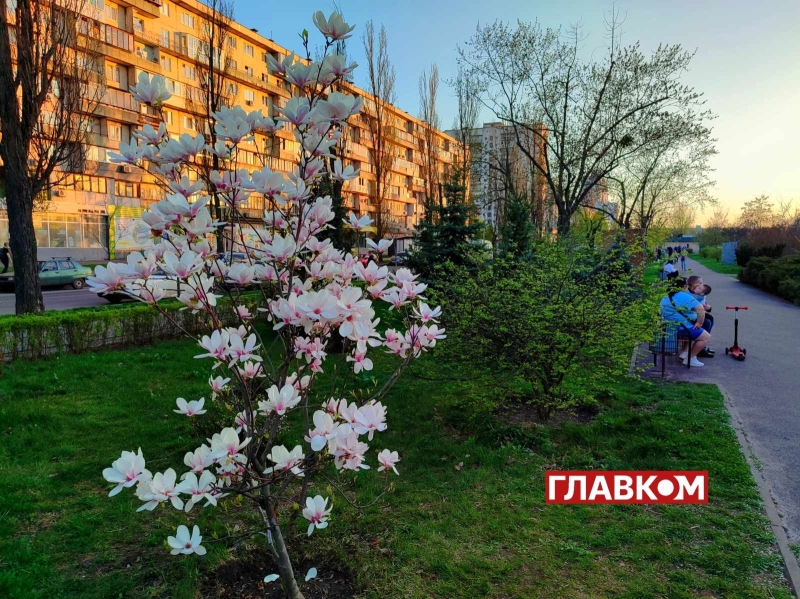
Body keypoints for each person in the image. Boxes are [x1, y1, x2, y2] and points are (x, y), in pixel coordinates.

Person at [659, 276, 711, 367]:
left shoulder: (665, 297)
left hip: (668, 329)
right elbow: (701, 309)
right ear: (683, 286)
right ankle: (690, 359)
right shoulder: (685, 296)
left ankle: (685, 352)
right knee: (706, 337)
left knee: (696, 331)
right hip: (683, 328)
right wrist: (699, 323)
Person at [688, 276, 715, 357]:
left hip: (695, 313)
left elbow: (705, 305)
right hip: (689, 315)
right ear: (694, 284)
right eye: (700, 283)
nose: (701, 284)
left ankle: (703, 345)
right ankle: (701, 344)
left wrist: (709, 308)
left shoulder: (698, 292)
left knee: (710, 318)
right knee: (706, 323)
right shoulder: (689, 293)